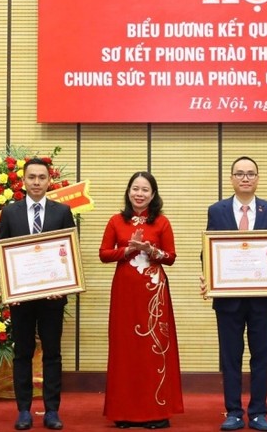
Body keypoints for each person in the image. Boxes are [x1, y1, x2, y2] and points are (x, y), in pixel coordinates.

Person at [0, 157, 76, 431]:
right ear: (23, 180)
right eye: (32, 177)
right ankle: (24, 411)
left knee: (52, 353)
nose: (37, 182)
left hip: (53, 298)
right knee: (23, 354)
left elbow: (70, 253)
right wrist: (9, 287)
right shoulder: (10, 212)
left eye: (42, 177)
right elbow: (0, 252)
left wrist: (64, 285)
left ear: (49, 180)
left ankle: (52, 411)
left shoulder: (62, 211)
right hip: (21, 298)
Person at [99, 171, 184, 430]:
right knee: (125, 350)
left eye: (145, 190)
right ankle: (123, 411)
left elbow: (170, 257)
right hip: (125, 292)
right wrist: (128, 250)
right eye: (135, 188)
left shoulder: (162, 222)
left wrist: (151, 250)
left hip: (153, 294)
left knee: (154, 350)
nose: (139, 193)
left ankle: (156, 412)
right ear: (128, 192)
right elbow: (104, 254)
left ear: (153, 194)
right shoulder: (116, 221)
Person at [204, 156, 267, 432]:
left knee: (261, 356)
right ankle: (234, 412)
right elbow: (209, 249)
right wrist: (209, 275)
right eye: (239, 173)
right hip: (228, 300)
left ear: (258, 178)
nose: (245, 178)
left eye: (250, 173)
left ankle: (259, 412)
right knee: (230, 357)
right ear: (231, 179)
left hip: (262, 299)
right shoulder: (217, 210)